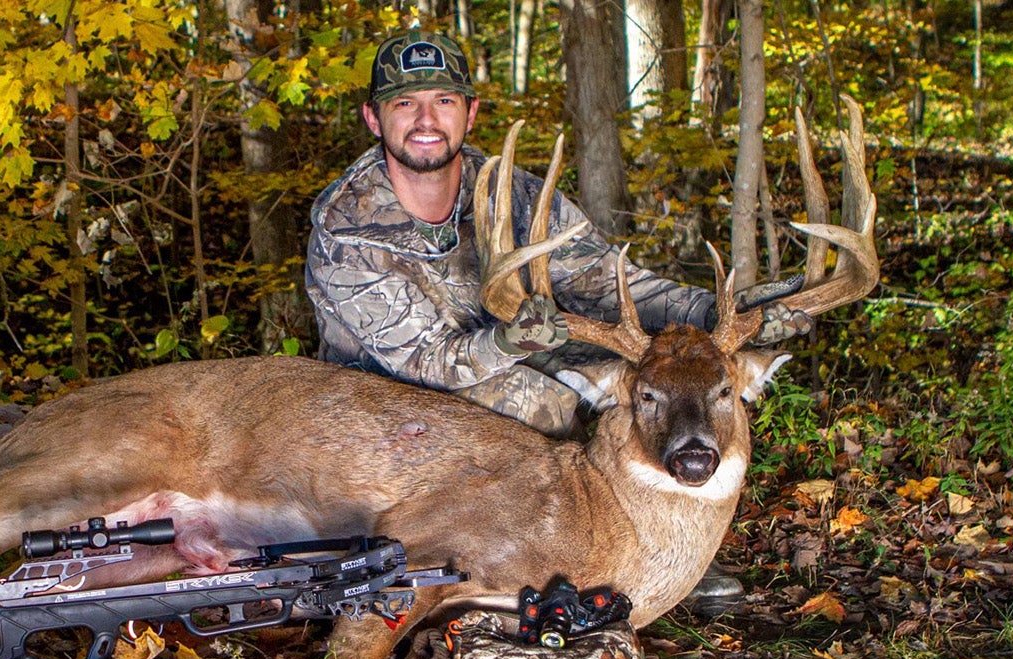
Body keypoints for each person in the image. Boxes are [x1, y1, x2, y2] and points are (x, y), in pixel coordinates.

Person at [305, 30, 811, 443]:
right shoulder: (345, 227)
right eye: (404, 104)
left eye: (443, 100)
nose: (426, 121)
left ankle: (664, 542)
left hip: (511, 355)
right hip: (381, 398)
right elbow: (424, 362)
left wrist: (718, 311)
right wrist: (508, 341)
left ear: (470, 112)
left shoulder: (517, 196)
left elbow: (608, 283)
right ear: (374, 118)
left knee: (642, 383)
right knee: (545, 407)